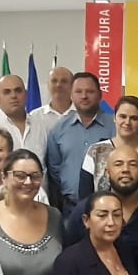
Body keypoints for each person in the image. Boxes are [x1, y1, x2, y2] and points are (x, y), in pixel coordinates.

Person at [65, 144, 138, 262]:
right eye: (118, 164)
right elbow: (69, 256)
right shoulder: (85, 209)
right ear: (107, 172)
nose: (125, 170)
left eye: (132, 164)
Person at [46, 71, 115, 215]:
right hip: (70, 209)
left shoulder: (115, 126)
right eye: (78, 91)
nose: (84, 96)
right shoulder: (58, 130)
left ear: (100, 95)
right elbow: (55, 169)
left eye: (90, 91)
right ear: (71, 95)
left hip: (109, 208)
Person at [79, 95, 138, 198]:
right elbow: (85, 198)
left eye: (134, 118)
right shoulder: (95, 151)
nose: (127, 122)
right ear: (114, 118)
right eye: (123, 116)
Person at [37, 66, 76, 134]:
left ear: (72, 85)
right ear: (48, 85)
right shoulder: (35, 117)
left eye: (64, 81)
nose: (58, 85)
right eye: (54, 81)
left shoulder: (82, 115)